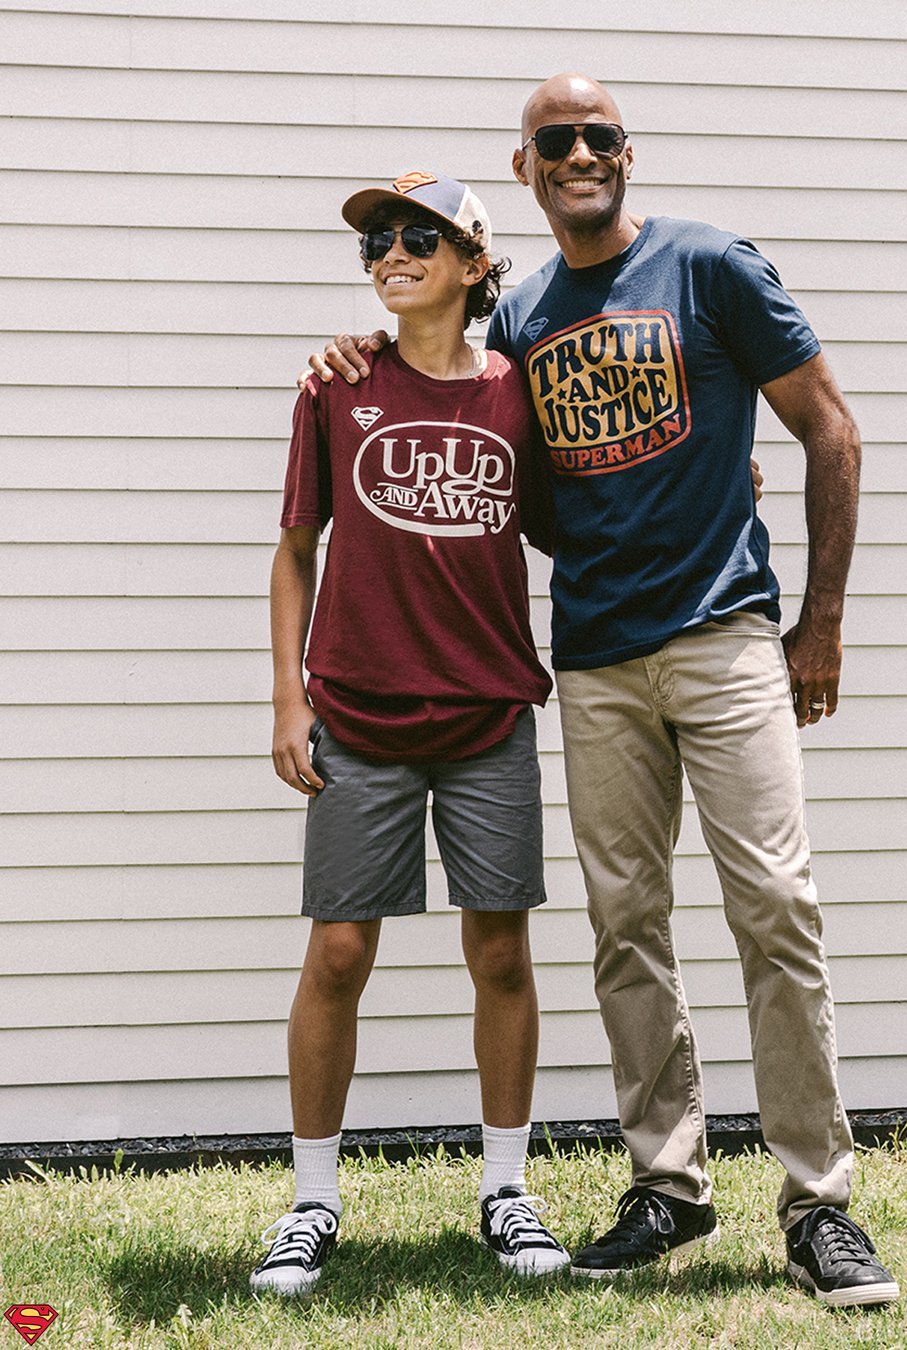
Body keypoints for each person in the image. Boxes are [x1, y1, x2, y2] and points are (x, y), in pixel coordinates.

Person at [308, 74, 899, 1309]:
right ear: (524, 168)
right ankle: (669, 1185)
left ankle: (819, 1206)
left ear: (627, 153)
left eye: (599, 136)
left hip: (727, 638)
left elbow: (832, 429)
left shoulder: (710, 265)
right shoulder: (521, 317)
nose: (579, 153)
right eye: (555, 140)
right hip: (593, 657)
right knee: (627, 927)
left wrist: (821, 625)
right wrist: (357, 350)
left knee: (775, 909)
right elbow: (496, 456)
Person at [251, 170, 572, 1297]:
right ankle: (311, 1200)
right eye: (376, 241)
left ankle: (507, 1189)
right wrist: (289, 699)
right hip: (360, 712)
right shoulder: (337, 386)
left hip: (488, 714)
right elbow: (296, 550)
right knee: (339, 953)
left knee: (502, 953)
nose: (391, 253)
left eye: (418, 238)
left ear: (475, 264)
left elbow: (580, 516)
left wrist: (713, 479)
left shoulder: (520, 393)